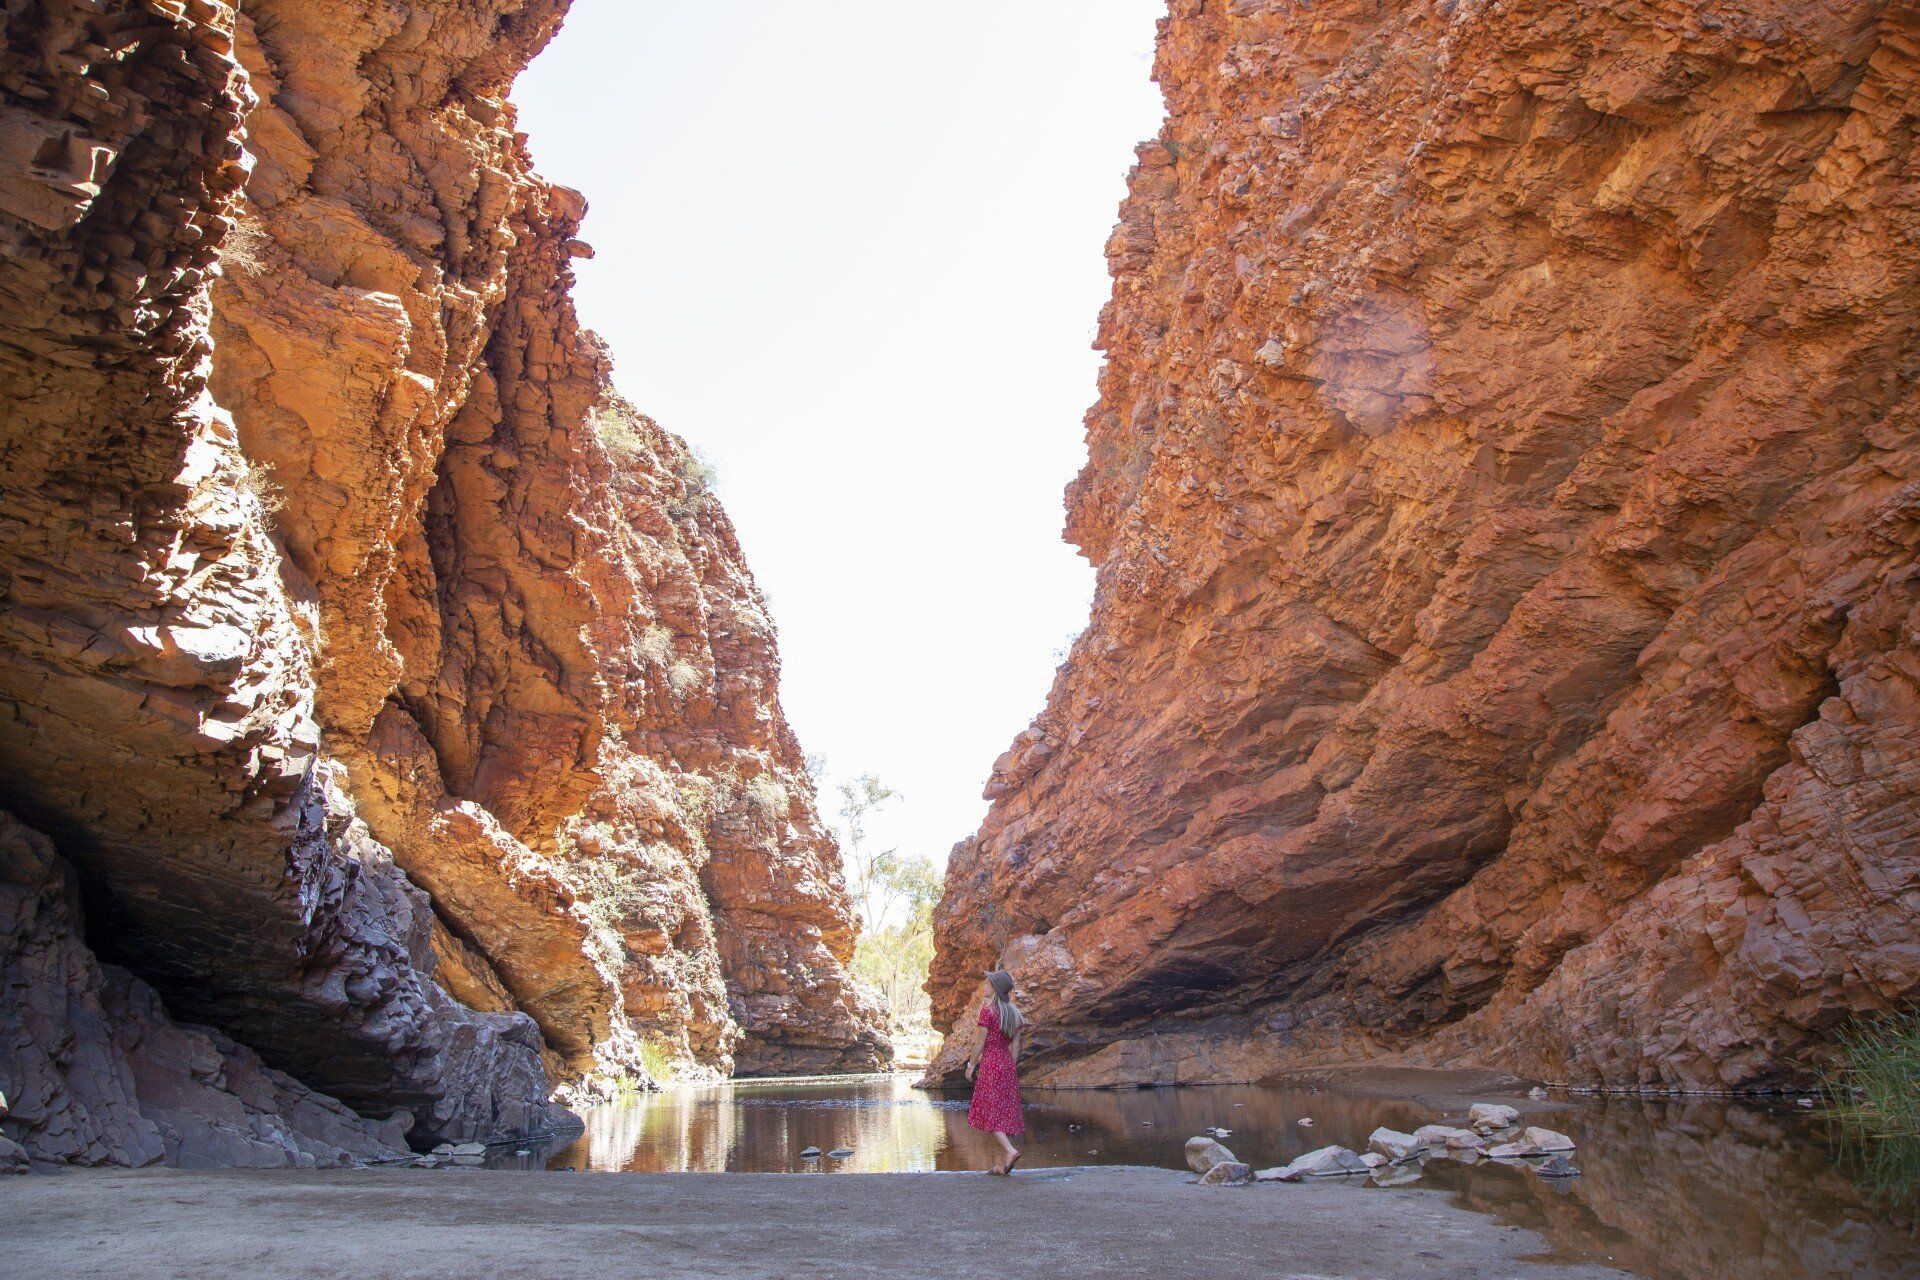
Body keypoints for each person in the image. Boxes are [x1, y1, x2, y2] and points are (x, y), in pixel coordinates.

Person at [965, 967, 1026, 1174]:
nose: (985, 984)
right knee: (1001, 1110)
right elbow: (1015, 1046)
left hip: (991, 1064)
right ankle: (1002, 1164)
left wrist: (971, 1065)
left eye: (988, 982)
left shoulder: (988, 1011)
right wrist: (1010, 1067)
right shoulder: (1015, 1014)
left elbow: (980, 1043)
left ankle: (1010, 1151)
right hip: (1007, 1063)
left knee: (989, 1111)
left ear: (994, 988)